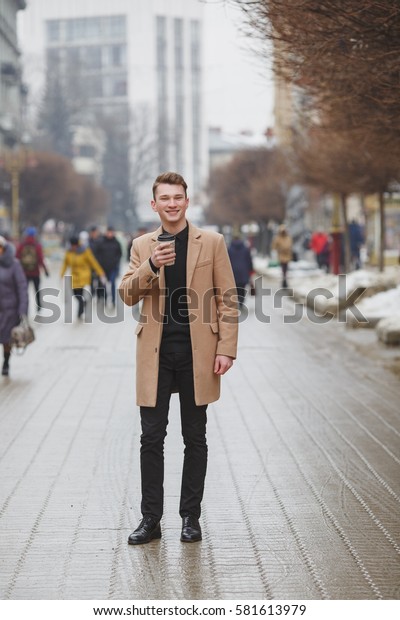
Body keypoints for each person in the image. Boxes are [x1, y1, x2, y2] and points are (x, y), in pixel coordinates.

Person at [119, 171, 238, 545]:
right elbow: (126, 294)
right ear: (153, 204)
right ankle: (150, 520)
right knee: (151, 438)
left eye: (178, 197)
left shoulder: (212, 242)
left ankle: (191, 517)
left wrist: (226, 348)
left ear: (187, 201)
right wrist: (151, 265)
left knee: (195, 437)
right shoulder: (142, 245)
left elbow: (227, 299)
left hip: (197, 354)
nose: (172, 203)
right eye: (164, 198)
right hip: (154, 353)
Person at [0, 235, 29, 376]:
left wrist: (22, 309)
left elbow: (22, 287)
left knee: (6, 339)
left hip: (9, 310)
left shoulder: (14, 264)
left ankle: (5, 362)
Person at [60, 235, 105, 320]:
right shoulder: (69, 252)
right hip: (74, 276)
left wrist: (101, 273)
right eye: (72, 246)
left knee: (79, 294)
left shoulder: (85, 251)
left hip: (84, 275)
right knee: (75, 294)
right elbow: (65, 263)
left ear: (77, 244)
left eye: (75, 246)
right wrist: (61, 274)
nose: (73, 247)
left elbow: (93, 262)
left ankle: (79, 312)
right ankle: (84, 303)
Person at [16, 227, 49, 311]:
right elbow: (40, 259)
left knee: (24, 292)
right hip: (35, 273)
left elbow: (16, 258)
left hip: (24, 273)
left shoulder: (21, 245)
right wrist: (45, 270)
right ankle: (39, 307)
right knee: (37, 290)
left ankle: (25, 308)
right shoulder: (37, 245)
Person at [96, 226, 122, 306]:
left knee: (113, 283)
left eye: (111, 232)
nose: (110, 234)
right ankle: (105, 299)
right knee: (103, 284)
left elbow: (119, 254)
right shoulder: (101, 242)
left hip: (113, 268)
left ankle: (113, 300)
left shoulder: (116, 242)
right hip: (103, 268)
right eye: (108, 232)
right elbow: (97, 254)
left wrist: (115, 262)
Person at [227, 232, 254, 308]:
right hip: (244, 271)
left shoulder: (229, 249)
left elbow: (226, 261)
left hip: (233, 271)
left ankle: (238, 298)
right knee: (242, 287)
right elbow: (249, 261)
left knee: (235, 287)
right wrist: (251, 270)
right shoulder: (246, 249)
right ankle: (241, 300)